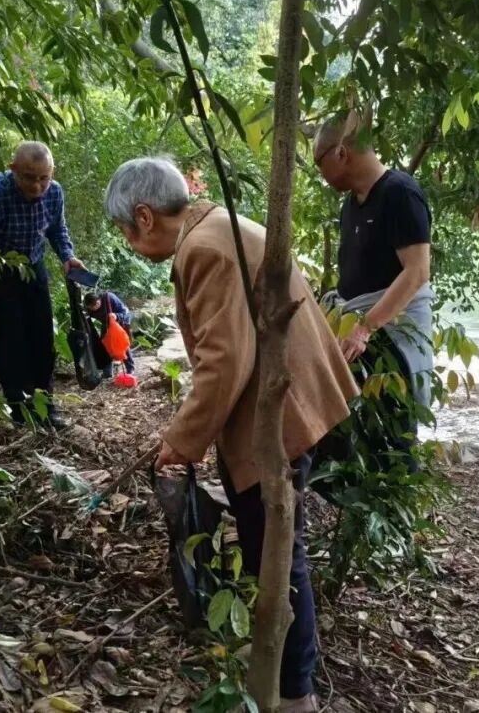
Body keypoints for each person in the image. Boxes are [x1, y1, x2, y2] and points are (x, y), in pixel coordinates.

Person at [103, 156, 357, 712]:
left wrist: (181, 440)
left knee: (277, 553)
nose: (129, 243)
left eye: (125, 231)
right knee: (276, 544)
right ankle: (283, 669)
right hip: (287, 401)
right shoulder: (217, 226)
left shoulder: (205, 249)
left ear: (144, 216)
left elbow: (223, 364)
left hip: (278, 414)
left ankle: (294, 691)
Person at [313, 110, 434, 472]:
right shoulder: (351, 205)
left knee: (394, 431)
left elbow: (417, 272)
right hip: (352, 327)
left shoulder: (400, 194)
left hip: (390, 336)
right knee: (347, 428)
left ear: (341, 153)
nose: (321, 175)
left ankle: (401, 502)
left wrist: (366, 327)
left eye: (320, 164)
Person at [0, 141, 86, 429]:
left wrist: (67, 256)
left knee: (42, 341)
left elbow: (57, 229)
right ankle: (22, 415)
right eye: (28, 177)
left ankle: (46, 409)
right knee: (9, 345)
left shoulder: (54, 192)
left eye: (43, 178)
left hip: (32, 267)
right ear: (13, 170)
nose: (36, 186)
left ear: (52, 173)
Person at [83, 290, 136, 379]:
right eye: (91, 307)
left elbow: (126, 313)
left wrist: (116, 316)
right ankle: (107, 372)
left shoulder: (109, 298)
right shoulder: (88, 308)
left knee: (122, 345)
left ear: (99, 300)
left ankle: (130, 369)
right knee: (105, 345)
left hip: (120, 322)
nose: (94, 308)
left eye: (95, 305)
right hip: (106, 323)